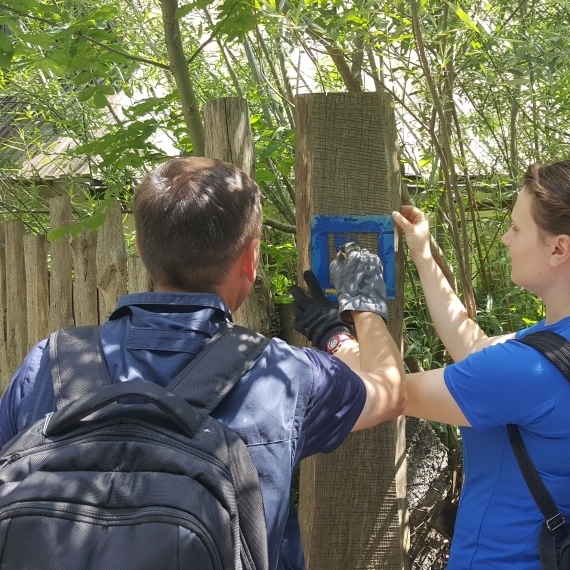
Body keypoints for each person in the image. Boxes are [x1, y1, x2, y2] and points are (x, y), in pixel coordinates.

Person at [0, 156, 405, 570]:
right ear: (251, 258)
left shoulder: (51, 361)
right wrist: (358, 313)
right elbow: (390, 392)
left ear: (141, 249)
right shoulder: (285, 375)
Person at [298, 158, 570, 568]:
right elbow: (477, 351)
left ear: (559, 248)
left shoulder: (533, 370)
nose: (507, 239)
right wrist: (422, 254)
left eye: (517, 228)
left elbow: (390, 392)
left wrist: (351, 322)